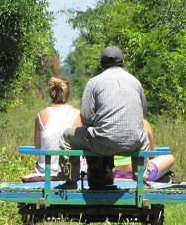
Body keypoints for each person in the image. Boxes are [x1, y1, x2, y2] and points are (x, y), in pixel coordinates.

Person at [59, 46, 149, 189]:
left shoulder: (94, 82)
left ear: (101, 64)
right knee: (144, 138)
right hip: (133, 142)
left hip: (102, 142)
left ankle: (71, 181)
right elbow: (142, 114)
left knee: (66, 137)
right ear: (123, 62)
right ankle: (141, 181)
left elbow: (86, 117)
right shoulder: (135, 82)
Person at [24, 77, 82, 182]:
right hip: (69, 172)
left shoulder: (41, 115)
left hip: (45, 171)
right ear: (68, 94)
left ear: (51, 94)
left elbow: (38, 148)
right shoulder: (78, 115)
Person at [113, 120, 175, 184]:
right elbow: (152, 155)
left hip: (112, 173)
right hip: (141, 174)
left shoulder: (107, 124)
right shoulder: (143, 123)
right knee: (169, 157)